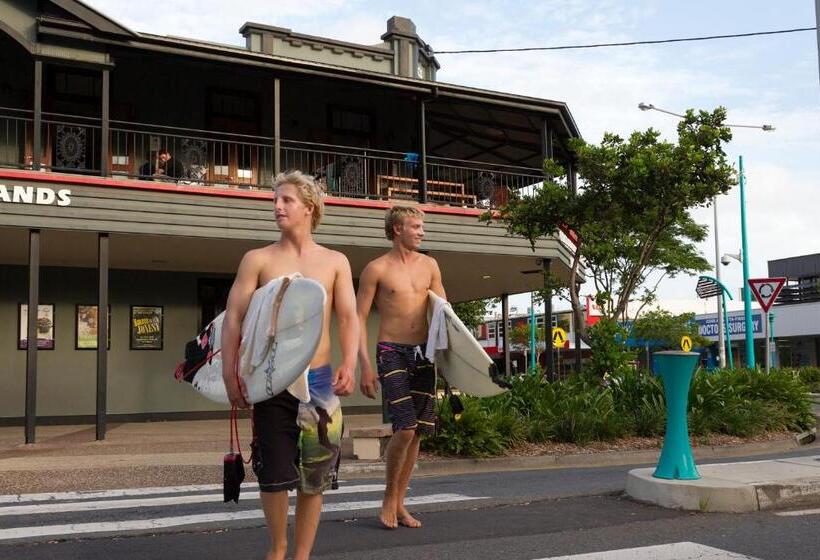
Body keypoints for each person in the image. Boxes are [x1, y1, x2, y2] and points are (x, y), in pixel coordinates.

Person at [221, 170, 358, 560]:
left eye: (286, 200)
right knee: (274, 475)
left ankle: (301, 555)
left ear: (309, 208)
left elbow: (348, 317)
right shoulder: (258, 259)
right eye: (275, 200)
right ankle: (278, 548)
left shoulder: (335, 261)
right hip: (272, 381)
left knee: (314, 477)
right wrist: (232, 373)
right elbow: (234, 317)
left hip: (320, 382)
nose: (277, 207)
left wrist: (349, 361)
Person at [356, 205, 446, 529]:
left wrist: (452, 361)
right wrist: (364, 366)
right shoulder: (376, 269)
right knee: (405, 427)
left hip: (424, 354)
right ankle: (388, 498)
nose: (422, 231)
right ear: (398, 229)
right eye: (416, 226)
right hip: (390, 350)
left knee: (418, 432)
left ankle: (401, 503)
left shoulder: (431, 266)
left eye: (422, 226)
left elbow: (442, 316)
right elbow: (357, 319)